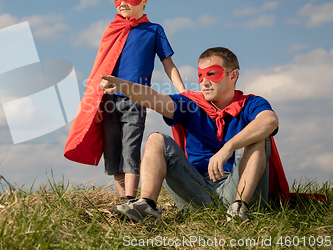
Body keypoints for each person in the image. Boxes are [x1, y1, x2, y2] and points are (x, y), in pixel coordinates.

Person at [100, 47, 280, 223]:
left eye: (212, 74)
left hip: (238, 189)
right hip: (197, 191)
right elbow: (155, 99)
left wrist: (229, 147)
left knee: (258, 138)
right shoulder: (191, 103)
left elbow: (269, 121)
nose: (204, 82)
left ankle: (239, 209)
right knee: (156, 139)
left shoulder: (251, 103)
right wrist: (125, 86)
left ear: (233, 75)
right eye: (200, 76)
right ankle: (147, 206)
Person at [64, 0, 186, 202]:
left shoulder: (154, 30)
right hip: (109, 98)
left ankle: (131, 198)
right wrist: (96, 99)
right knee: (113, 149)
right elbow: (102, 63)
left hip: (136, 99)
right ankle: (122, 198)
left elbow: (168, 63)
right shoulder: (112, 29)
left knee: (131, 145)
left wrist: (182, 90)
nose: (122, 4)